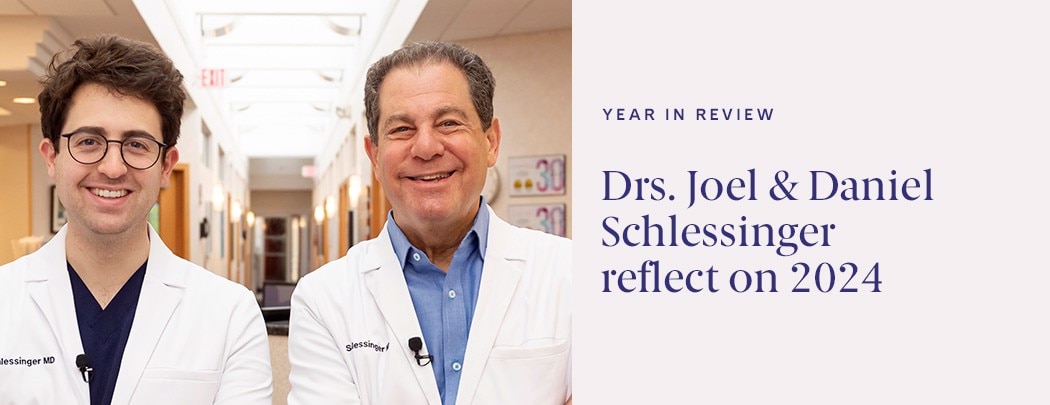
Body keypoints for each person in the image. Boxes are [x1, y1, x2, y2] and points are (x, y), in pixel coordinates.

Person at [287, 41, 572, 404]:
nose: (426, 147)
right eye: (402, 129)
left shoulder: (572, 274)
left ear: (490, 141)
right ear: (374, 156)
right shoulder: (323, 299)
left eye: (448, 123)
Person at [0, 35, 272, 404]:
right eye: (89, 141)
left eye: (137, 145)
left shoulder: (230, 315)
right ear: (52, 157)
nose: (113, 168)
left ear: (165, 166)